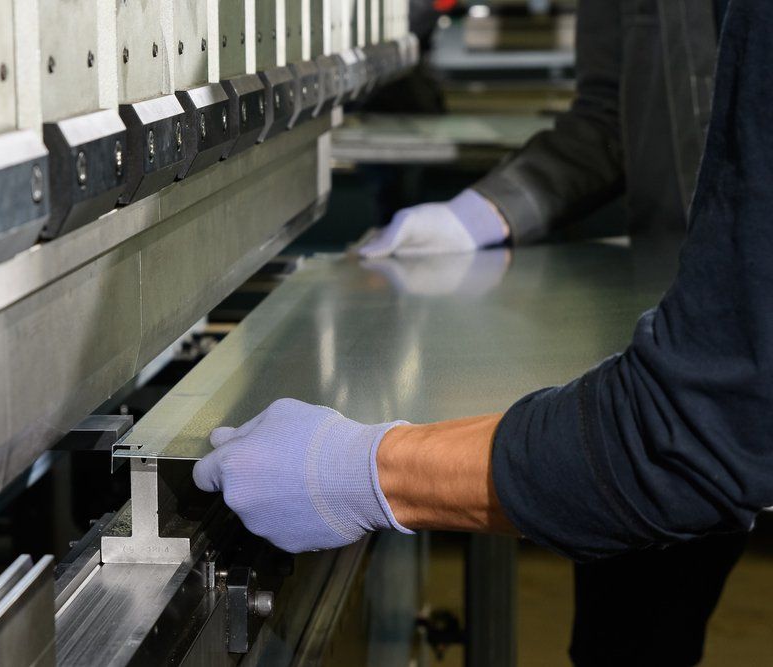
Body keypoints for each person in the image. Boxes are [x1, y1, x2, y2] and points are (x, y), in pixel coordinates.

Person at [194, 1, 769, 665]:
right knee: (628, 639)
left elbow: (698, 428)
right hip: (660, 347)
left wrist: (364, 471)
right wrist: (480, 213)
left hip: (692, 396)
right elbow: (613, 114)